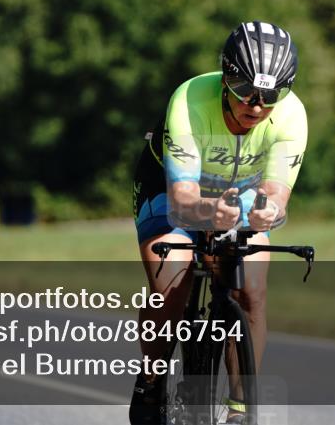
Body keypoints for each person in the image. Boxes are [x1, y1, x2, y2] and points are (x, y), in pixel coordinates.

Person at [129, 21, 307, 425]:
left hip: (239, 192)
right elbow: (183, 201)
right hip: (170, 186)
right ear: (226, 79)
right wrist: (209, 214)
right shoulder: (190, 99)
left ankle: (241, 410)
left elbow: (277, 196)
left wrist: (268, 213)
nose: (256, 105)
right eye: (245, 91)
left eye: (270, 96)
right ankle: (153, 379)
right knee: (171, 280)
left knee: (252, 291)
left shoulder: (293, 116)